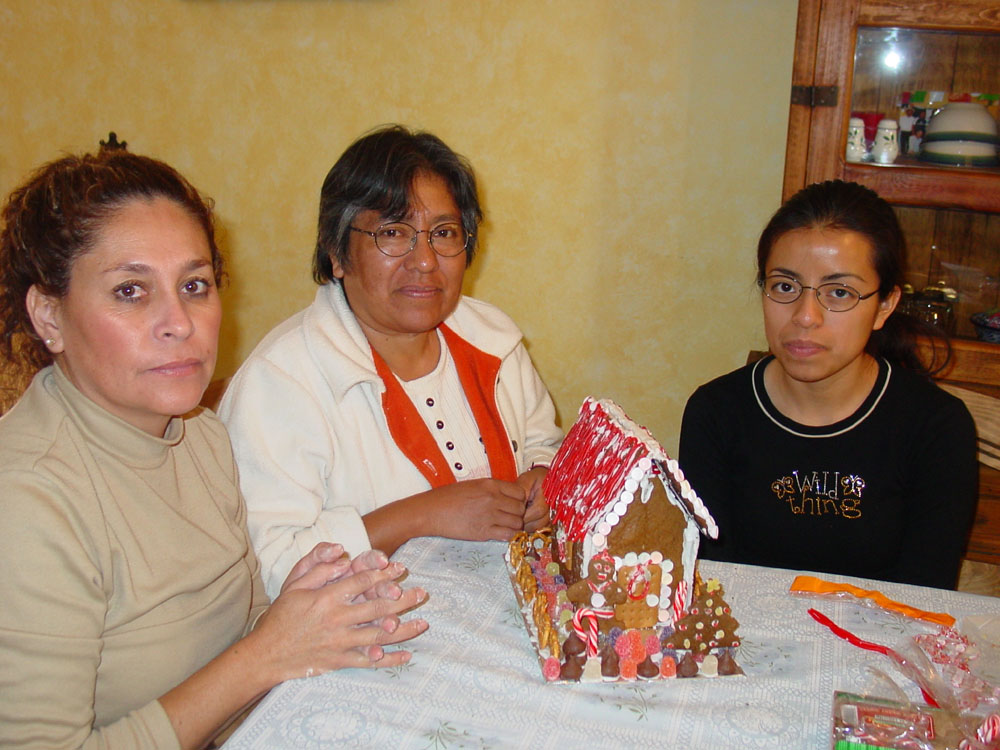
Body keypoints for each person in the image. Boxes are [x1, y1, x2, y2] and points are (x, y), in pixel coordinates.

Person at [0, 147, 428, 749]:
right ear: (49, 315)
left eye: (194, 285)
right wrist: (267, 653)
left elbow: (245, 620)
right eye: (131, 291)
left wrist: (304, 605)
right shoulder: (27, 500)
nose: (180, 321)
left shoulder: (199, 436)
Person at [219, 125, 563, 597]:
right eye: (393, 233)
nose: (424, 260)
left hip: (497, 604)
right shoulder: (278, 384)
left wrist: (544, 480)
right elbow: (265, 569)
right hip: (359, 640)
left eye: (443, 233)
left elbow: (545, 441)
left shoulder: (494, 340)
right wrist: (423, 514)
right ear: (337, 252)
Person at [679, 180, 977, 589]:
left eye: (839, 292)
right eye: (784, 286)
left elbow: (925, 596)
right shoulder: (715, 413)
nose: (805, 316)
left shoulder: (936, 427)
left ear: (884, 305)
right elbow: (711, 581)